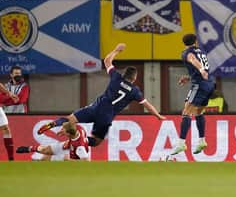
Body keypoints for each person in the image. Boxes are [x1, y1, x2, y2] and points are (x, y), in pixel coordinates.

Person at [37, 43, 165, 147]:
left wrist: (116, 50)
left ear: (124, 74)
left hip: (95, 108)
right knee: (96, 141)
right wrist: (158, 116)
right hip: (106, 117)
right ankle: (78, 138)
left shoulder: (116, 77)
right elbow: (147, 106)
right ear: (134, 78)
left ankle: (53, 124)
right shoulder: (135, 91)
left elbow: (107, 61)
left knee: (70, 119)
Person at [171, 33, 216, 155]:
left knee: (186, 112)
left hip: (199, 85)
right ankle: (202, 140)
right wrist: (189, 77)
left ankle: (181, 143)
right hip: (209, 84)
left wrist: (201, 70)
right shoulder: (201, 51)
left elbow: (193, 60)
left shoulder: (186, 53)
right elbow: (198, 66)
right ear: (195, 41)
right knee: (198, 112)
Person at [17, 121, 89, 161]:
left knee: (45, 158)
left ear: (68, 133)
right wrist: (63, 131)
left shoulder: (80, 147)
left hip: (73, 153)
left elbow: (85, 162)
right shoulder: (78, 128)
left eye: (63, 130)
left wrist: (69, 159)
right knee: (46, 150)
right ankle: (29, 149)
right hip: (69, 143)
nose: (61, 130)